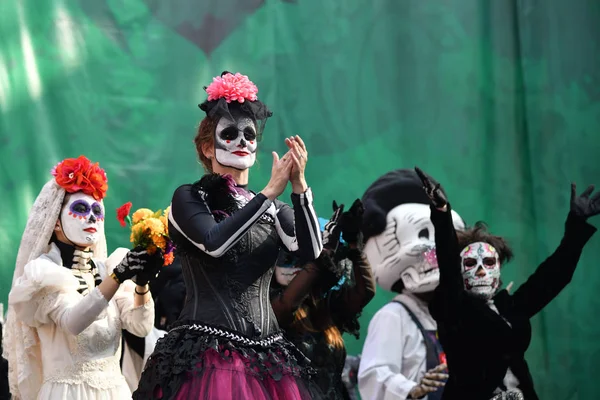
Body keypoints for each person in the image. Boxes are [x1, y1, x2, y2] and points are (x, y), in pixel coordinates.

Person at [134, 71, 323, 399]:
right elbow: (214, 243)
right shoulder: (190, 198)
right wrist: (267, 195)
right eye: (230, 133)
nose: (242, 141)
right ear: (207, 148)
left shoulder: (272, 208)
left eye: (249, 134)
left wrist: (299, 187)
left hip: (268, 360)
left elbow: (312, 253)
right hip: (208, 360)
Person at [415, 166, 599, 400]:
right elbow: (449, 273)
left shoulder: (509, 308)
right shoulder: (453, 309)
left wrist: (576, 224)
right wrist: (441, 213)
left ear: (499, 271)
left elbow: (552, 277)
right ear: (459, 272)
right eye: (471, 263)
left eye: (489, 262)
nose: (481, 271)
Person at [3, 155, 162, 400]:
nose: (91, 217)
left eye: (97, 211)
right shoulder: (45, 273)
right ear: (56, 222)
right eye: (80, 208)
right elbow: (73, 322)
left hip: (115, 392)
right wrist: (118, 276)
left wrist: (142, 284)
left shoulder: (105, 268)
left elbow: (140, 327)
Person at [358, 169, 465, 400]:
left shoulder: (458, 315)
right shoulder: (394, 317)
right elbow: (374, 374)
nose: (434, 252)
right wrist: (411, 390)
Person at [271, 199, 375, 399]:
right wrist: (322, 256)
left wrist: (354, 247)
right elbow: (286, 306)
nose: (295, 264)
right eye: (293, 255)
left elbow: (365, 293)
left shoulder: (325, 306)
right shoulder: (269, 305)